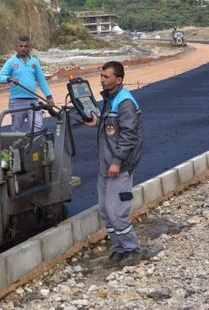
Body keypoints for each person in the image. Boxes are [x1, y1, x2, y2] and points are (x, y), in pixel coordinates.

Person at [85, 61, 143, 267]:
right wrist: (96, 120)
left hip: (119, 166)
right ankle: (119, 248)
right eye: (101, 76)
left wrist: (117, 161)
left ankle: (132, 249)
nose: (101, 80)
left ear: (118, 80)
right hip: (106, 165)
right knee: (104, 210)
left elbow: (129, 136)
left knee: (116, 210)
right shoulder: (110, 100)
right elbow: (111, 127)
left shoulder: (125, 103)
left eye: (105, 77)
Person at [0, 35, 54, 133]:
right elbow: (0, 78)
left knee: (37, 126)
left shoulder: (34, 62)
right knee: (16, 129)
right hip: (17, 101)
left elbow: (42, 81)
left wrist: (49, 96)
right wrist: (9, 78)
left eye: (26, 46)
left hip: (33, 100)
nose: (23, 48)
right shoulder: (11, 62)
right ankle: (18, 147)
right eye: (21, 46)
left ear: (29, 47)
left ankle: (33, 145)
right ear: (17, 47)